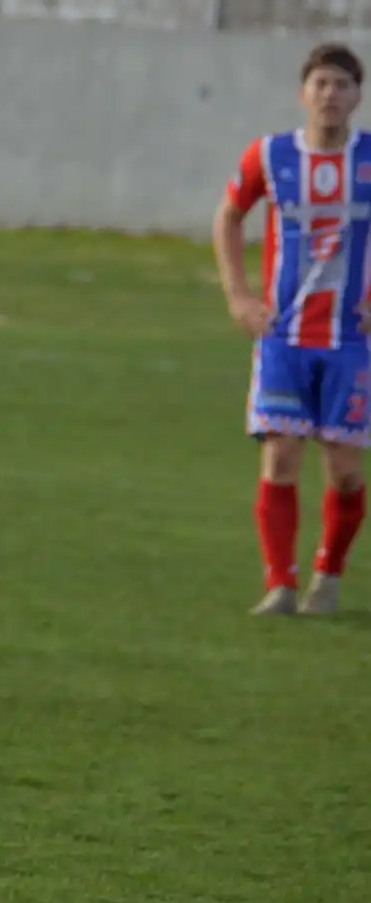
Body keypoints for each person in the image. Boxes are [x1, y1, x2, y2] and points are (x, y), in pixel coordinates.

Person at [214, 42, 371, 615]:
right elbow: (229, 213)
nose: (331, 95)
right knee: (280, 459)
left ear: (358, 95)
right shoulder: (273, 155)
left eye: (343, 85)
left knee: (347, 471)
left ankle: (328, 573)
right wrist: (238, 295)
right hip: (283, 337)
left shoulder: (370, 158)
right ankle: (280, 584)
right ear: (304, 91)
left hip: (353, 343)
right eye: (321, 84)